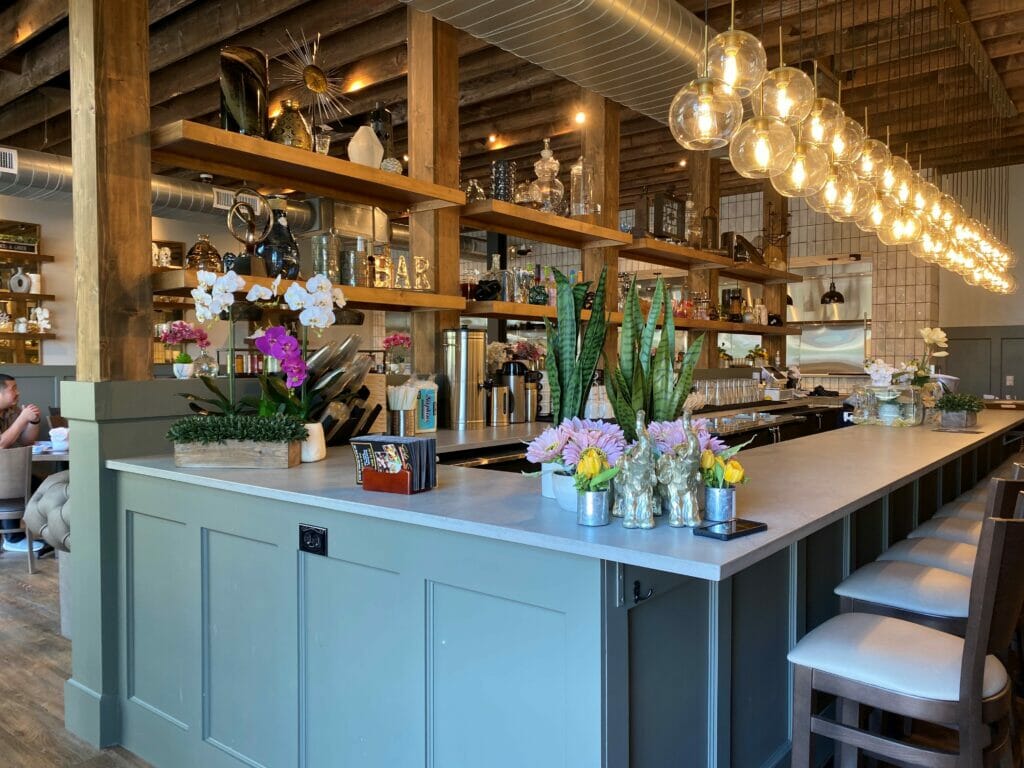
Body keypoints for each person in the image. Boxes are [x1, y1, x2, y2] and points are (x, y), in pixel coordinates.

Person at [0, 374, 41, 547]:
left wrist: (33, 421)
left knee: (38, 485)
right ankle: (12, 538)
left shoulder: (10, 412)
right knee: (20, 483)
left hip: (6, 474)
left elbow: (26, 441)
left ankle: (15, 537)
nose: (18, 392)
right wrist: (23, 419)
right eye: (13, 389)